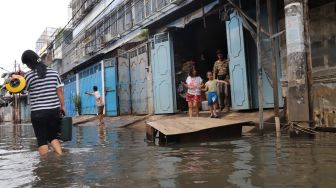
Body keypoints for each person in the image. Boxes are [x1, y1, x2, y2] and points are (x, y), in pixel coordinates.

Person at [13, 50, 64, 156]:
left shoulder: (29, 76)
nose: (27, 66)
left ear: (29, 63)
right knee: (53, 137)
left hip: (38, 113)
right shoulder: (54, 73)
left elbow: (21, 90)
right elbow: (60, 91)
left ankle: (44, 168)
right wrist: (62, 106)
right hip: (53, 111)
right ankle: (60, 158)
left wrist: (18, 78)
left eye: (26, 64)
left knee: (42, 141)